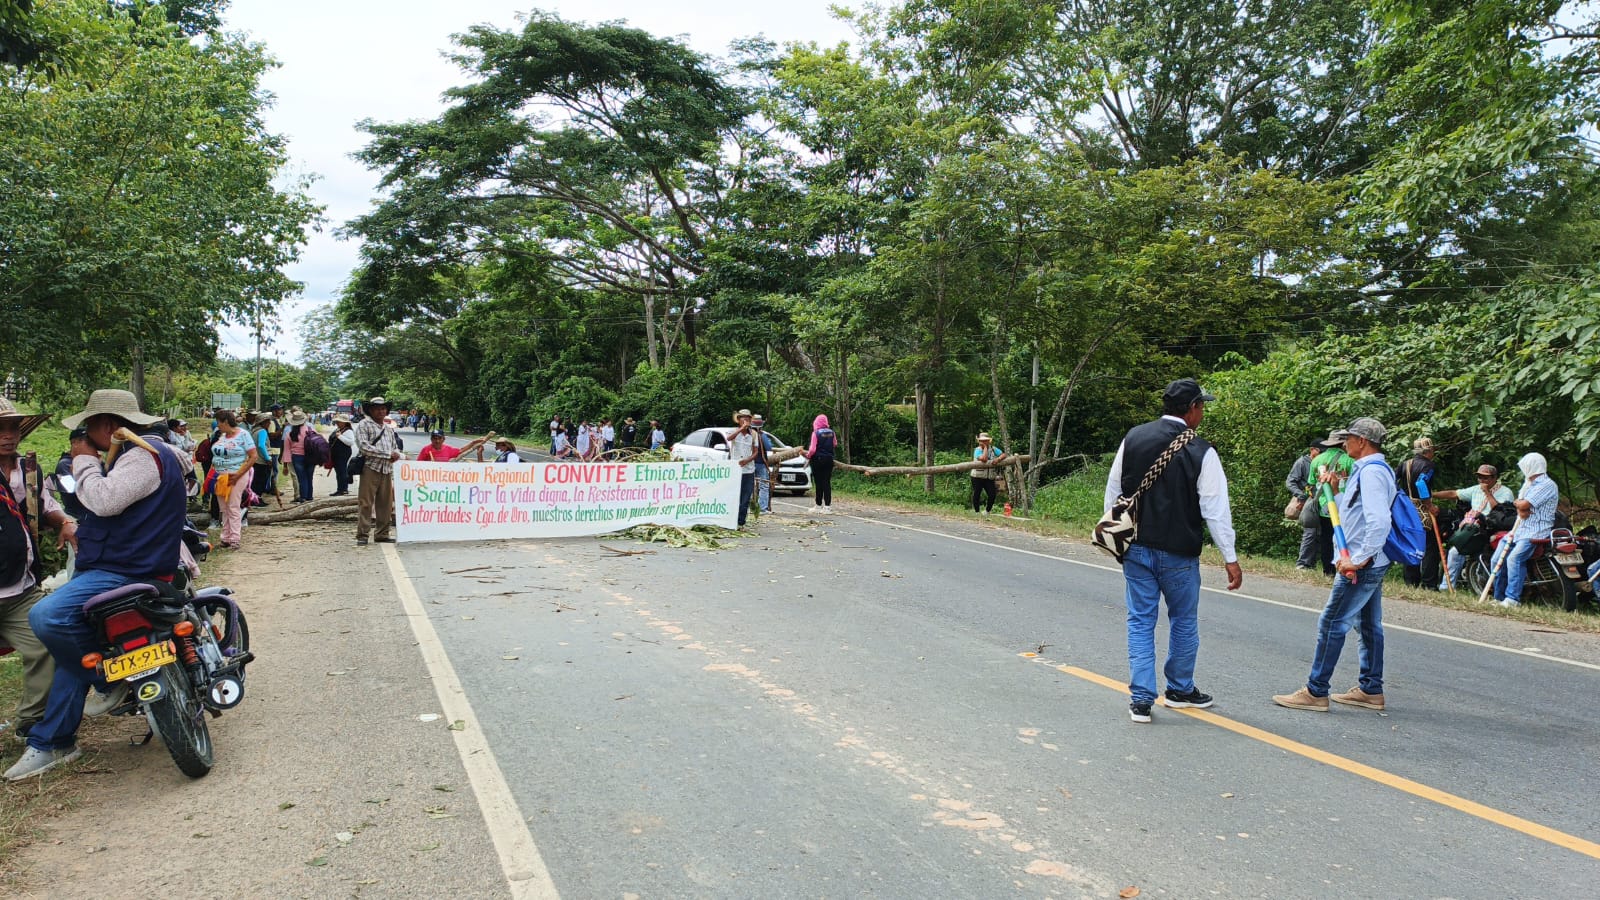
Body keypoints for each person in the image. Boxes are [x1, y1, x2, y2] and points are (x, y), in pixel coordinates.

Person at [8, 390, 187, 781]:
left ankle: (108, 677)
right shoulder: (132, 454)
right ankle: (53, 740)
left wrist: (84, 460)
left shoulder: (144, 454)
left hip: (125, 571)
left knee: (48, 617)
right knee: (74, 650)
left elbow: (104, 502)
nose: (83, 437)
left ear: (107, 425)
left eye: (87, 429)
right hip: (120, 565)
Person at [1103, 379, 1242, 724]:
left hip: (1136, 547)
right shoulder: (1202, 451)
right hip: (1179, 553)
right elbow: (1215, 510)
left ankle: (1140, 700)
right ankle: (1179, 689)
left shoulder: (1133, 437)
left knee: (1140, 620)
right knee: (1182, 620)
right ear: (1192, 409)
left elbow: (1114, 492)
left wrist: (1115, 536)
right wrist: (1230, 557)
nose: (1203, 413)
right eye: (1202, 406)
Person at [1273, 417, 1393, 713]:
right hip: (1367, 560)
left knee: (1332, 622)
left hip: (1361, 563)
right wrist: (1337, 490)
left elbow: (1379, 521)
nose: (1344, 445)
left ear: (1362, 441)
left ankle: (1316, 691)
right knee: (1367, 625)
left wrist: (1359, 557)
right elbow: (1354, 513)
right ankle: (1370, 689)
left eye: (1347, 439)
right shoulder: (1367, 470)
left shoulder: (1372, 473)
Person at [0, 399, 77, 748]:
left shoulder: (28, 468)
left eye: (12, 427)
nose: (7, 436)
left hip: (19, 588)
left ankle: (30, 722)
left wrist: (65, 521)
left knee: (45, 645)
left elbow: (44, 506)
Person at [1492, 452, 1560, 607]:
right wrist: (1520, 505)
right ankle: (1498, 597)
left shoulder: (1546, 484)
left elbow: (1522, 505)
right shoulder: (1528, 483)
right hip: (1519, 529)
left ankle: (1512, 599)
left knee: (1514, 559)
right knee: (1497, 560)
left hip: (1536, 531)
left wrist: (1521, 505)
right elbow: (1520, 504)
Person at [1433, 464, 1513, 590]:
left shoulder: (1505, 492)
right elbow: (1455, 493)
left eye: (1485, 478)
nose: (1482, 481)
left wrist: (1487, 492)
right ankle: (1447, 585)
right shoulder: (1476, 489)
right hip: (1472, 527)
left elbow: (1499, 510)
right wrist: (1431, 495)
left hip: (1491, 527)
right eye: (1480, 477)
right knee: (1453, 546)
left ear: (1494, 478)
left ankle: (1446, 586)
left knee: (1456, 550)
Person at [354, 396, 402, 546]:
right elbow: (364, 446)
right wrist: (388, 454)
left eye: (383, 408)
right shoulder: (364, 425)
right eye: (377, 408)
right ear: (371, 410)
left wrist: (396, 454)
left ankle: (382, 534)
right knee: (366, 502)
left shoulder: (388, 429)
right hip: (370, 467)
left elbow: (395, 446)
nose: (381, 411)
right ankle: (362, 534)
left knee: (385, 504)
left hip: (386, 469)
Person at [208, 410, 257, 550]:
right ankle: (226, 537)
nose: (217, 425)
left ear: (225, 422)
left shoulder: (243, 435)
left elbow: (253, 456)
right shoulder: (222, 436)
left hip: (236, 474)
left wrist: (238, 474)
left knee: (233, 506)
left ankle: (235, 537)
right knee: (223, 508)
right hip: (220, 475)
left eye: (218, 422)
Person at [1398, 437, 1440, 589]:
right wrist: (1429, 505)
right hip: (1421, 510)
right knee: (1430, 547)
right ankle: (1429, 583)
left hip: (1407, 509)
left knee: (1410, 544)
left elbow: (1394, 482)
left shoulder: (1405, 464)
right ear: (1428, 451)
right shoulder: (1428, 465)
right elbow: (1421, 482)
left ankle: (1411, 582)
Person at [1309, 433, 1354, 576]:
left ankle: (1327, 570)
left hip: (1324, 505)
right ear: (1342, 444)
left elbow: (1311, 483)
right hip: (1343, 505)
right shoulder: (1349, 460)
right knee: (1343, 536)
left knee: (1326, 538)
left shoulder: (1317, 461)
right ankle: (1342, 566)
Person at [1286, 440, 1322, 570]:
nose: (1322, 453)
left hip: (1320, 500)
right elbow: (1290, 482)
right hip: (1307, 500)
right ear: (1312, 449)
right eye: (1319, 450)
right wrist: (1300, 495)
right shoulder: (1302, 462)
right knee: (1310, 531)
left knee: (1319, 533)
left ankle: (1311, 564)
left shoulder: (1323, 462)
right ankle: (1302, 563)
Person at [728, 410, 759, 527]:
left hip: (748, 469)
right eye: (743, 418)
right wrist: (741, 429)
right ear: (739, 420)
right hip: (735, 469)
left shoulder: (754, 434)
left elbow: (756, 452)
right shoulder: (734, 431)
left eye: (748, 419)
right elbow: (728, 438)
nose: (745, 421)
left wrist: (747, 460)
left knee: (746, 497)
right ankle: (732, 520)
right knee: (735, 495)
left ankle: (741, 522)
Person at [805, 414, 837, 515]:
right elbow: (835, 444)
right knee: (826, 482)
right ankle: (827, 507)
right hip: (829, 460)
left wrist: (808, 456)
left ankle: (818, 505)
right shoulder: (832, 432)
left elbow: (812, 449)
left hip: (818, 460)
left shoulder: (816, 433)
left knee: (819, 483)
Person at [284, 410, 316, 504]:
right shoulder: (311, 430)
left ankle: (303, 498)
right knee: (309, 477)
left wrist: (285, 465)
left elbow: (286, 450)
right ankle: (309, 497)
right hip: (311, 457)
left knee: (301, 478)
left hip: (297, 457)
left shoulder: (290, 434)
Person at [970, 432, 1005, 515]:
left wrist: (998, 459)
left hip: (989, 477)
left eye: (986, 440)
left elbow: (1003, 454)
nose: (984, 442)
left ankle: (987, 511)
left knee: (992, 494)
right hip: (977, 476)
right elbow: (984, 459)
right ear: (979, 441)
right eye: (982, 441)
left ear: (989, 441)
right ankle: (977, 511)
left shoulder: (993, 449)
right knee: (977, 493)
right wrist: (985, 448)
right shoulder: (977, 450)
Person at [751, 414, 775, 513]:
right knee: (764, 485)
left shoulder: (748, 434)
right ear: (761, 425)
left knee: (749, 486)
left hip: (749, 463)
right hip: (760, 463)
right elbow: (769, 447)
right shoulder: (762, 435)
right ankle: (762, 508)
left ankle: (749, 508)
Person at [250, 412, 275, 507]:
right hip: (261, 460)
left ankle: (253, 498)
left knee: (255, 481)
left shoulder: (254, 431)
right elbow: (261, 445)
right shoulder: (262, 431)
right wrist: (268, 458)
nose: (269, 424)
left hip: (254, 459)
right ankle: (257, 499)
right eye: (268, 422)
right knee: (261, 481)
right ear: (263, 422)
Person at [329, 414, 356, 496]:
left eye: (339, 421)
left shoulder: (348, 431)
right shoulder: (339, 429)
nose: (337, 423)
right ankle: (340, 488)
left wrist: (340, 436)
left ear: (344, 423)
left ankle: (343, 489)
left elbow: (350, 442)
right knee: (339, 472)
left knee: (342, 471)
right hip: (337, 454)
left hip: (343, 454)